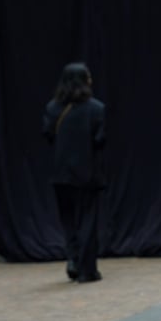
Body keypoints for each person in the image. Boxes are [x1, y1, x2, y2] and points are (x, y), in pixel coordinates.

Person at [42, 62, 105, 282]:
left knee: (68, 221)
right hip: (86, 174)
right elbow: (100, 140)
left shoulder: (52, 108)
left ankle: (73, 259)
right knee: (87, 221)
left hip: (60, 175)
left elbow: (48, 136)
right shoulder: (96, 109)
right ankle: (88, 270)